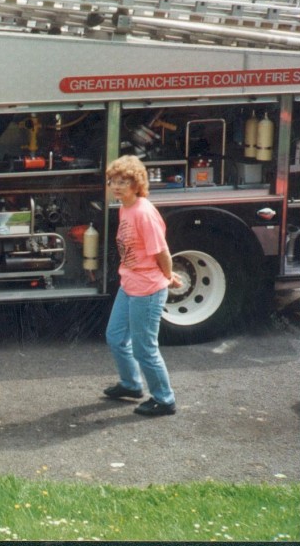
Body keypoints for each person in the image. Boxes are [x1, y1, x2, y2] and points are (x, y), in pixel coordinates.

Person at [103, 155, 182, 416]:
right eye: (113, 181)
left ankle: (164, 399)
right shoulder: (124, 208)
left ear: (137, 184)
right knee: (115, 337)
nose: (116, 186)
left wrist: (168, 277)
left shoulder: (144, 212)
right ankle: (131, 384)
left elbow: (162, 252)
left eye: (123, 181)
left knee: (144, 348)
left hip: (147, 289)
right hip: (130, 282)